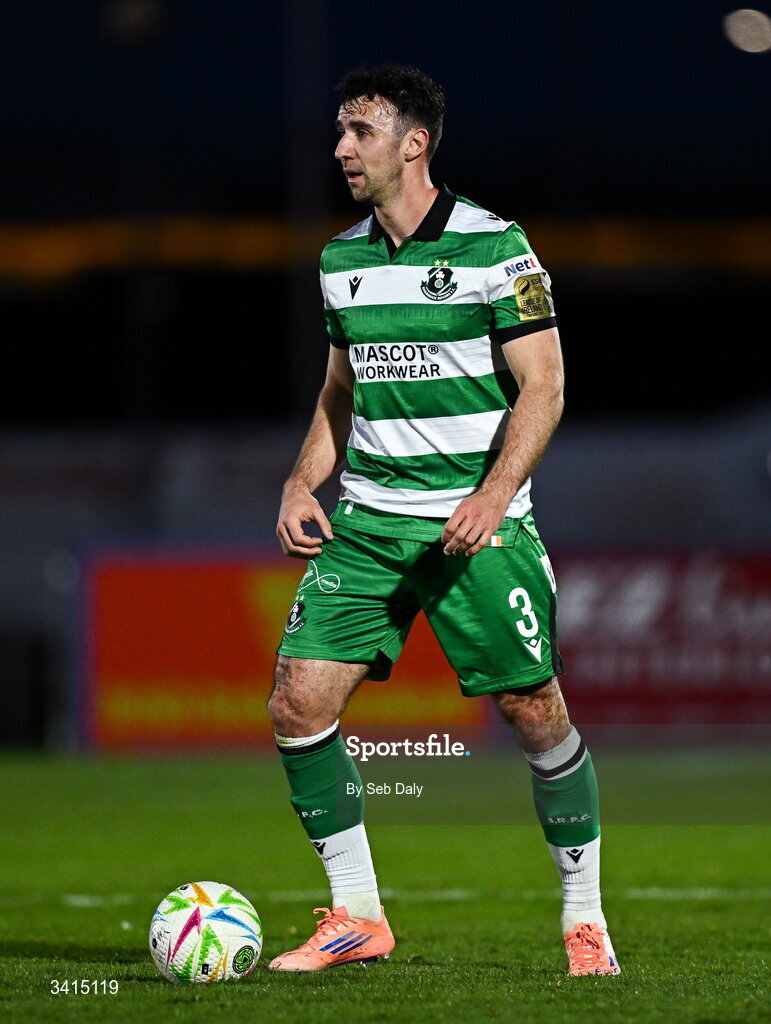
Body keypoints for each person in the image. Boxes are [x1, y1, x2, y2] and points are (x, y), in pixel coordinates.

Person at [268, 63, 620, 977]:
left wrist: (492, 496)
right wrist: (302, 483)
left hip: (477, 526)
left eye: (360, 132)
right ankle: (357, 916)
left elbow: (544, 387)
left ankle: (583, 916)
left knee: (533, 709)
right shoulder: (339, 261)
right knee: (297, 702)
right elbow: (339, 393)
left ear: (413, 143)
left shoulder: (497, 246)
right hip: (369, 524)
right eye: (339, 131)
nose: (341, 148)